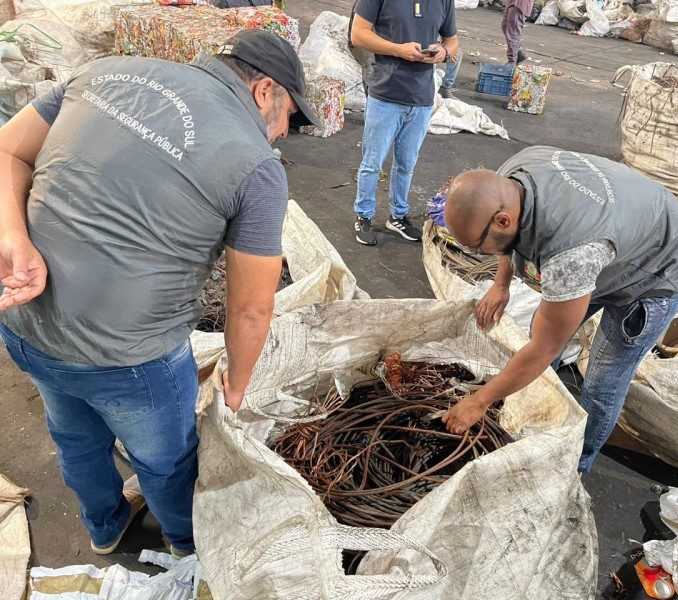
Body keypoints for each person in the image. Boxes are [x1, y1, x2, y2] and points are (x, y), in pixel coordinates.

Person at [0, 30, 320, 557]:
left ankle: (104, 527)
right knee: (166, 459)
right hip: (130, 358)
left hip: (23, 320)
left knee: (75, 434)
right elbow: (250, 308)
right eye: (290, 117)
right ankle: (183, 542)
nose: (282, 135)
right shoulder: (257, 168)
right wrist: (235, 386)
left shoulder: (105, 71)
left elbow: (9, 151)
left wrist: (14, 241)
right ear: (265, 90)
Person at [440, 147, 678, 472]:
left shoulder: (572, 256)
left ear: (502, 219)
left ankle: (576, 464)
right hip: (616, 238)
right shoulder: (512, 176)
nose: (479, 252)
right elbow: (506, 241)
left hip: (656, 269)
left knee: (602, 384)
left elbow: (543, 349)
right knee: (544, 330)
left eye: (477, 246)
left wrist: (479, 402)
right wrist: (500, 284)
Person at [350, 0, 459, 246]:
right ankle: (363, 215)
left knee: (406, 164)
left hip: (421, 98)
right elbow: (358, 34)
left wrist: (443, 52)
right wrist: (398, 50)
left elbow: (452, 39)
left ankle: (397, 215)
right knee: (372, 163)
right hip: (386, 93)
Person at [502, 0, 533, 64]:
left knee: (513, 32)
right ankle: (519, 52)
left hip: (519, 3)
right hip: (512, 3)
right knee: (505, 26)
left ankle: (512, 61)